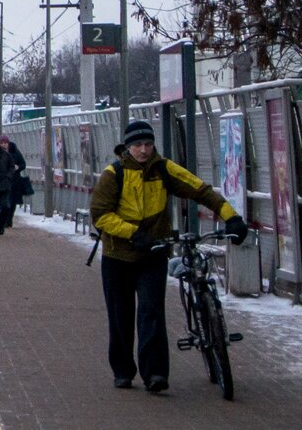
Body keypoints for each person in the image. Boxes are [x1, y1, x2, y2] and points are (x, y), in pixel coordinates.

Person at [90, 120, 249, 393]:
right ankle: (123, 371)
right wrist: (133, 233)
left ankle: (155, 374)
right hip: (118, 256)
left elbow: (200, 190)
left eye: (148, 144)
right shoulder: (113, 174)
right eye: (138, 145)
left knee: (152, 312)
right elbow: (101, 215)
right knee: (121, 316)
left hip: (153, 254)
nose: (143, 150)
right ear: (127, 147)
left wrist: (231, 217)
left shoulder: (162, 169)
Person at [0, 135, 26, 229]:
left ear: (8, 143)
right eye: (1, 143)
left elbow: (23, 164)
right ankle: (5, 218)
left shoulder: (15, 152)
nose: (3, 145)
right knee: (4, 201)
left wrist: (17, 167)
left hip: (14, 180)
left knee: (12, 201)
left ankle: (9, 219)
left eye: (5, 143)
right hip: (2, 180)